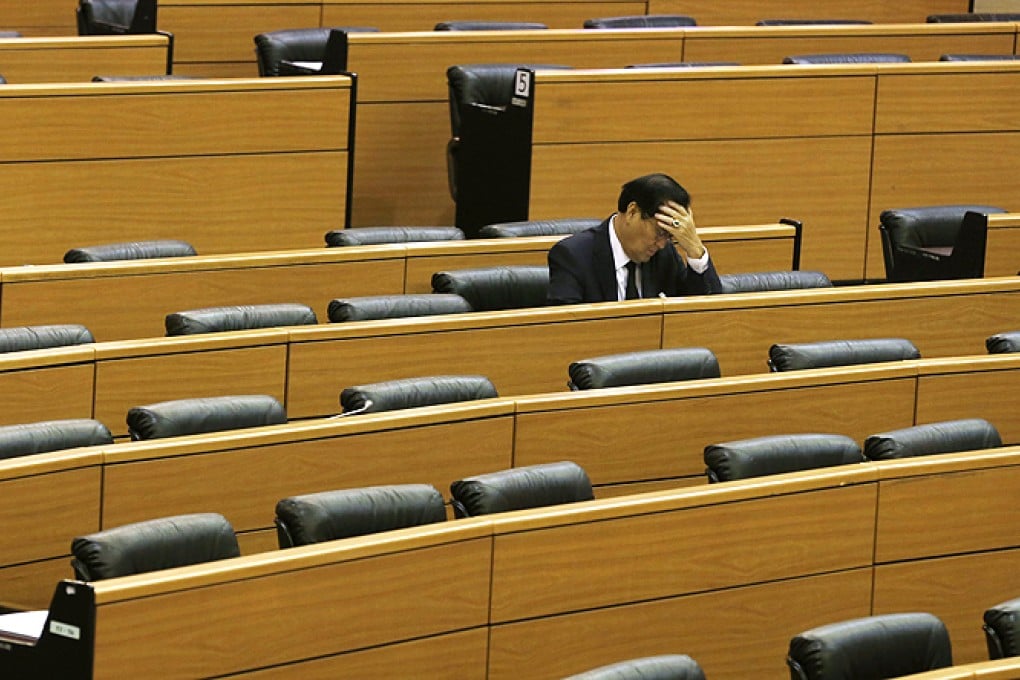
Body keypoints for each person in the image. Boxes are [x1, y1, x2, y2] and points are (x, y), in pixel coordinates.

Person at [547, 173, 722, 305]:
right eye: (660, 232)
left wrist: (695, 248)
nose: (662, 244)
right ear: (632, 212)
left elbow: (709, 314)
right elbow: (565, 331)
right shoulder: (573, 256)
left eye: (669, 237)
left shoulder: (664, 255)